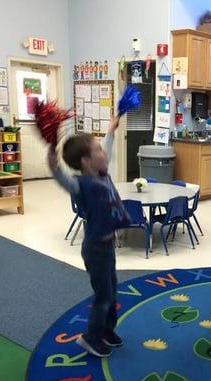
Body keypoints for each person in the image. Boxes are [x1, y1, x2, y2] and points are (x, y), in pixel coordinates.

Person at [47, 116, 127, 357]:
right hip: (95, 249)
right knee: (103, 297)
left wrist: (110, 131)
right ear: (86, 160)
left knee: (112, 291)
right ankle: (90, 337)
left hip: (108, 245)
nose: (103, 151)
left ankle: (106, 330)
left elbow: (108, 148)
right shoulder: (80, 184)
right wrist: (54, 166)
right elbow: (62, 179)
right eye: (97, 149)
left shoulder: (102, 171)